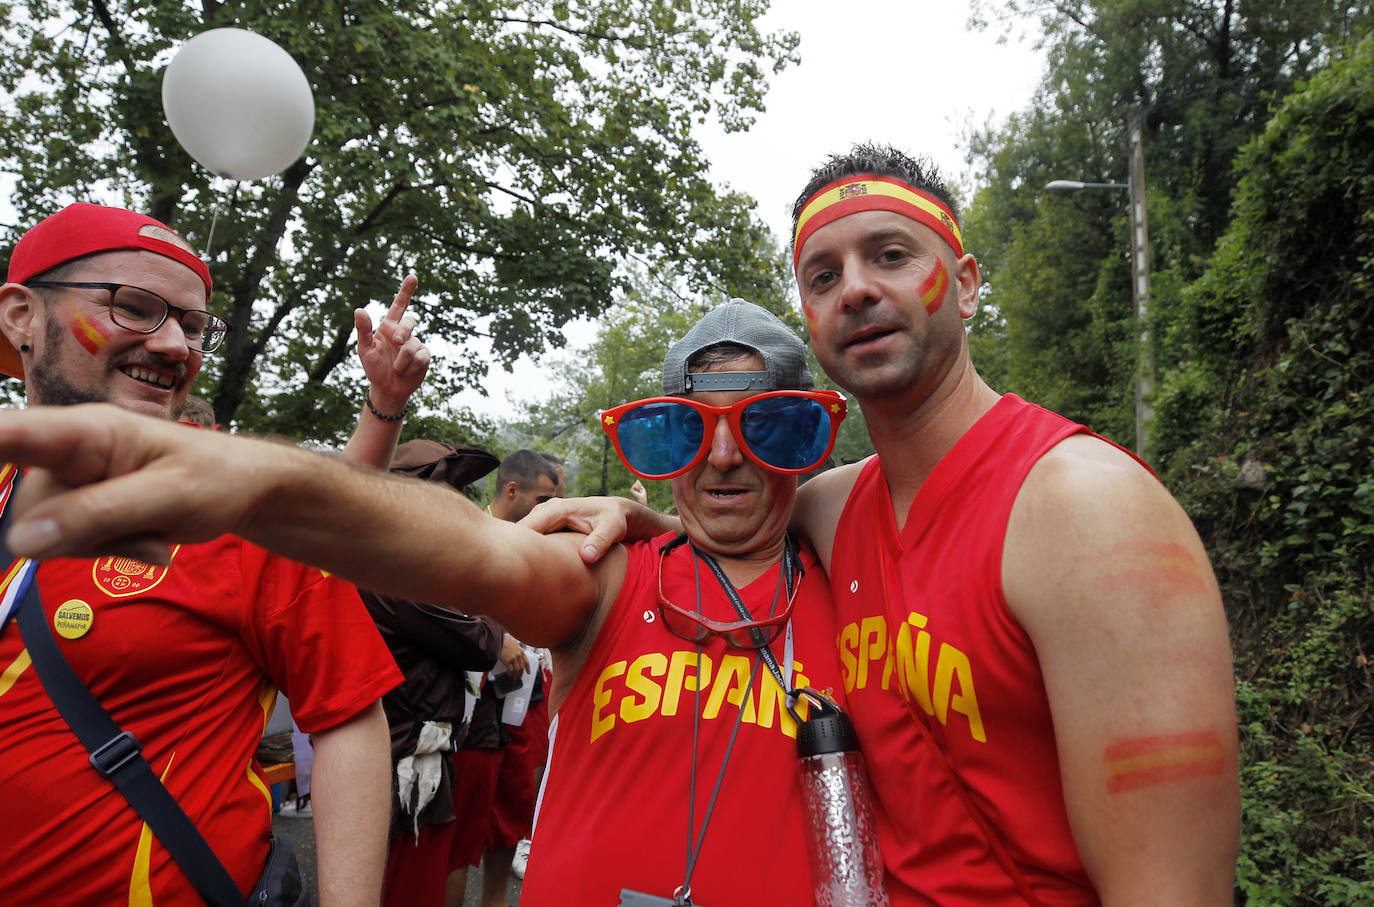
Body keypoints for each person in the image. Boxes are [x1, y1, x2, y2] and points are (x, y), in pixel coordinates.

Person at [526, 144, 1243, 904]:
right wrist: (642, 516)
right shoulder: (835, 508)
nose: (857, 290)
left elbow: (1173, 887)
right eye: (824, 275)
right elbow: (727, 508)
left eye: (891, 255)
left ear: (965, 286)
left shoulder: (1088, 510)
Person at [0, 298, 852, 905]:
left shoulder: (863, 579)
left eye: (771, 427)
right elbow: (475, 550)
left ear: (815, 437)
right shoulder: (605, 572)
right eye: (684, 432)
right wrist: (278, 481)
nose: (726, 458)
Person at [0, 202, 413, 905]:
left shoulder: (241, 508)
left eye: (193, 326)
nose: (175, 345)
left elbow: (347, 715)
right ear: (20, 317)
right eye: (134, 306)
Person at [364, 439, 509, 907]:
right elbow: (484, 644)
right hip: (400, 766)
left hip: (417, 758)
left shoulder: (403, 567)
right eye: (449, 487)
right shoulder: (395, 572)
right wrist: (492, 592)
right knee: (406, 890)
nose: (461, 502)